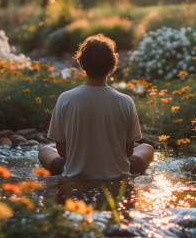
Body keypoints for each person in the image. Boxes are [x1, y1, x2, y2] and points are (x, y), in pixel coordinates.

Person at [38, 34, 154, 178]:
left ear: (82, 64)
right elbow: (128, 153)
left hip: (74, 172)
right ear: (112, 65)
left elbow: (62, 153)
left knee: (44, 151)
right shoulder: (126, 101)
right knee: (146, 148)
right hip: (119, 172)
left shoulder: (65, 99)